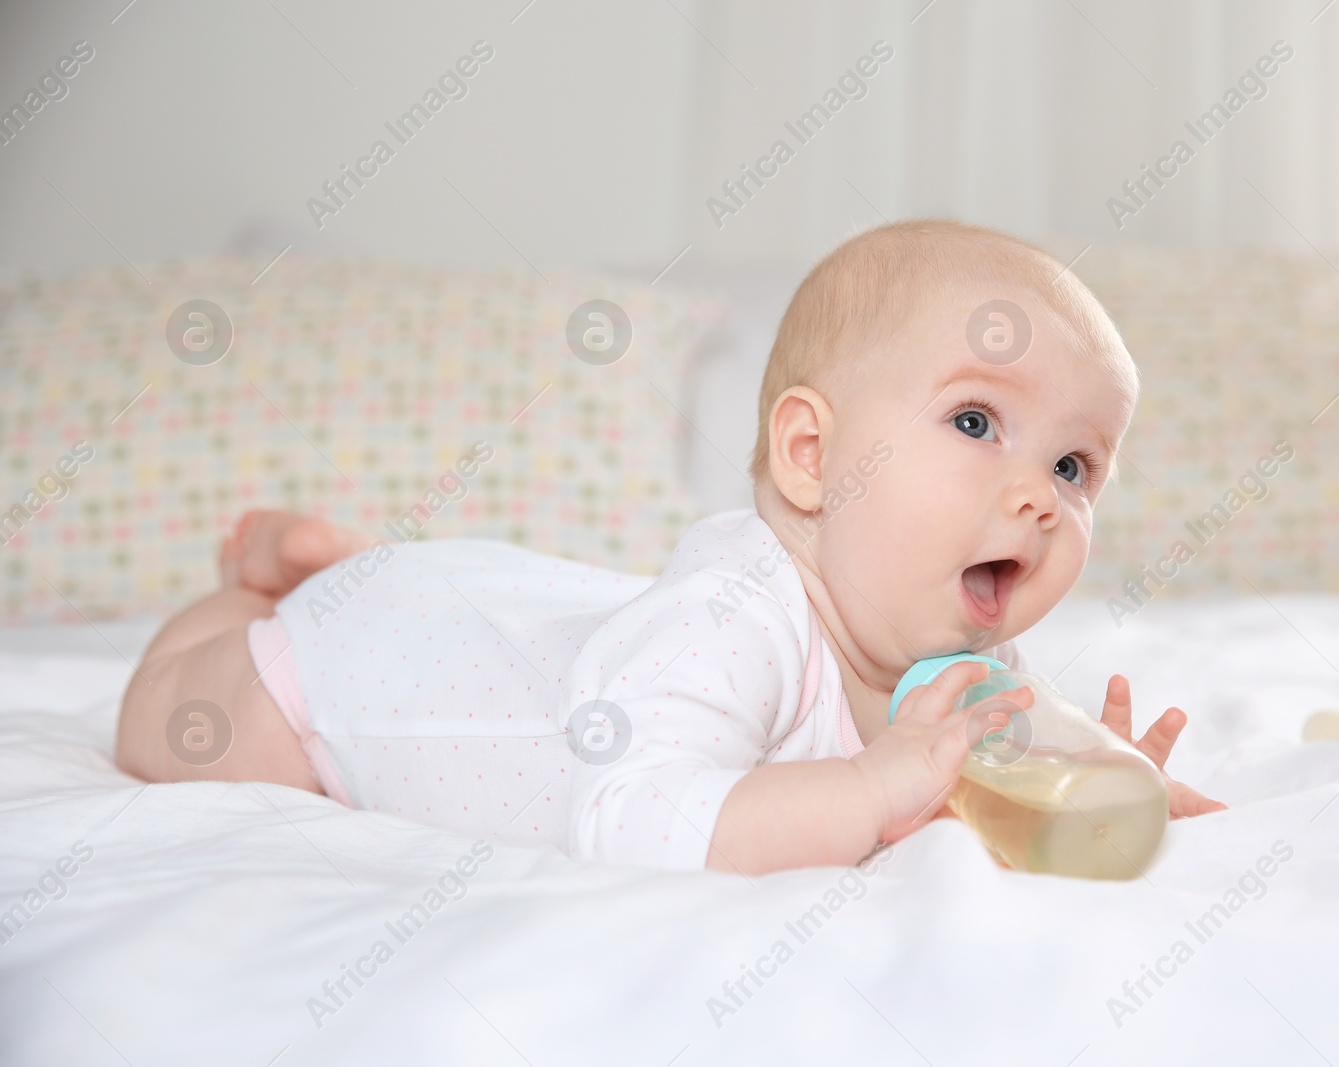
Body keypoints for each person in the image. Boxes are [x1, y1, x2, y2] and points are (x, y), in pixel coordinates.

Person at [115, 219, 1223, 876]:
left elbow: (1007, 778)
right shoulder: (729, 619)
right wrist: (869, 788)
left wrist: (1108, 784)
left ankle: (338, 555)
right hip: (353, 677)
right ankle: (252, 585)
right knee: (174, 727)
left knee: (495, 611)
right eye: (977, 423)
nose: (1038, 497)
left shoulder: (964, 662)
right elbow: (633, 822)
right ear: (809, 456)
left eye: (1076, 468)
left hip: (498, 616)